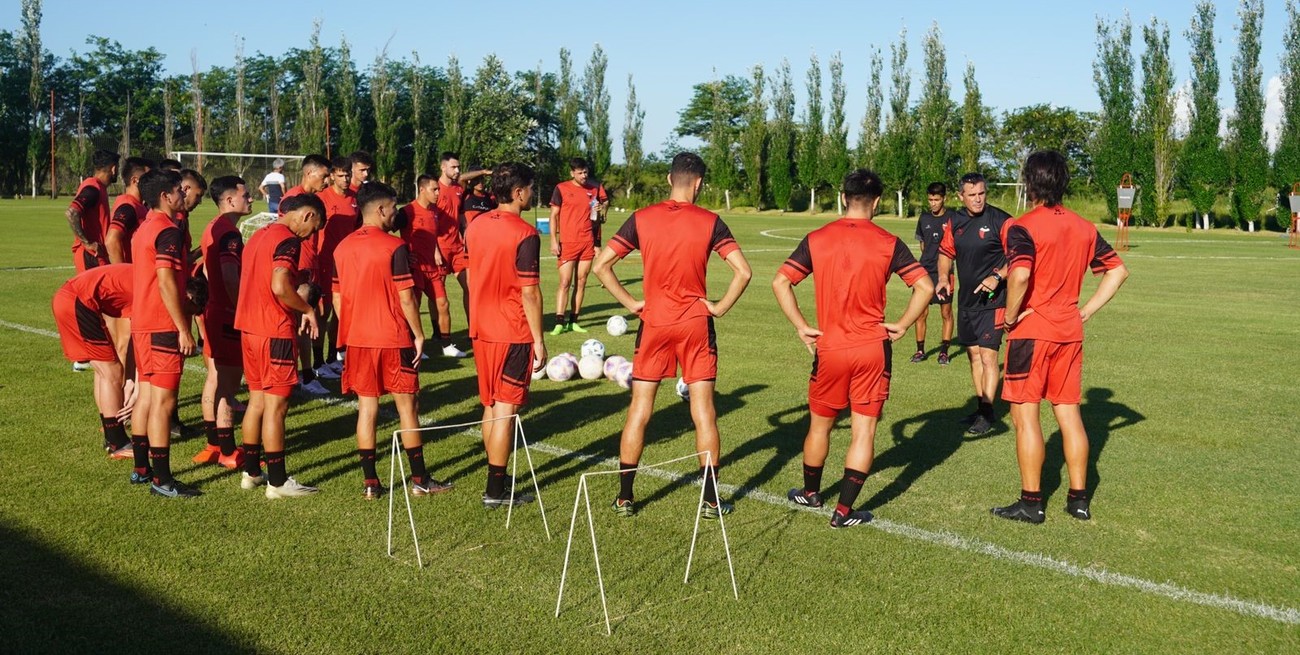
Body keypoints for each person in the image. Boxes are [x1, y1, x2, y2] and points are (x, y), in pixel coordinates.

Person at [592, 152, 752, 519]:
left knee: (640, 409)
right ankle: (711, 501)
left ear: (669, 179)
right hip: (696, 323)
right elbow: (743, 272)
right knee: (703, 412)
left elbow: (601, 266)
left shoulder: (642, 217)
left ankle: (625, 497)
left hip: (655, 322)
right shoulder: (711, 221)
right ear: (699, 183)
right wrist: (719, 307)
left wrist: (632, 303)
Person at [773, 169, 934, 528]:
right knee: (864, 431)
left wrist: (801, 326)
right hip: (872, 349)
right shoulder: (889, 242)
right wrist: (904, 324)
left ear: (844, 197)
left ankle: (811, 493)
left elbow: (781, 281)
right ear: (877, 202)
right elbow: (924, 286)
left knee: (819, 427)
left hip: (830, 348)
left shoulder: (817, 238)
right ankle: (843, 512)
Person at [992, 150, 1128, 524]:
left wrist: (1011, 317)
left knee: (1025, 417)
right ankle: (1078, 500)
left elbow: (1020, 274)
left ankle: (1031, 503)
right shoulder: (1084, 227)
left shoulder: (1021, 226)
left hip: (1032, 332)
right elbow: (1117, 271)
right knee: (1069, 414)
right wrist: (1085, 311)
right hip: (1069, 330)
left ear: (1029, 182)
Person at [333, 181, 451, 499]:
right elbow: (406, 297)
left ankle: (371, 483)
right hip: (392, 337)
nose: (396, 213)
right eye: (394, 207)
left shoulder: (341, 247)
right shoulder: (394, 246)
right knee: (408, 407)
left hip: (358, 340)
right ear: (382, 209)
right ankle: (419, 479)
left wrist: (352, 327)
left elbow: (337, 298)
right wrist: (419, 334)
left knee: (366, 408)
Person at [464, 162, 544, 509]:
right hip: (512, 330)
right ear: (518, 192)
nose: (533, 193)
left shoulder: (476, 225)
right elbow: (530, 292)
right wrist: (539, 339)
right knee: (506, 410)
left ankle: (496, 477)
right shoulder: (525, 233)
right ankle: (495, 490)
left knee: (491, 404)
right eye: (530, 188)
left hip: (481, 328)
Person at [234, 193, 325, 498]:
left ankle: (251, 473)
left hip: (249, 328)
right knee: (277, 406)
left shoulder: (259, 235)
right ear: (307, 215)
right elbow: (279, 285)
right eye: (314, 228)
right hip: (273, 330)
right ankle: (277, 481)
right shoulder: (288, 240)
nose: (310, 236)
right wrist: (307, 309)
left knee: (257, 401)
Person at [129, 169, 201, 498]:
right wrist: (183, 329)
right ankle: (162, 479)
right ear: (164, 196)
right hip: (162, 325)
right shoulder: (167, 230)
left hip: (143, 323)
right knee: (162, 402)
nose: (183, 195)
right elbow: (165, 280)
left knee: (146, 397)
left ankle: (142, 468)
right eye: (178, 190)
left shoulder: (145, 227)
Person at [936, 172, 1015, 436]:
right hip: (966, 302)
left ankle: (988, 412)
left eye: (981, 193)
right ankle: (982, 407)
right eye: (972, 195)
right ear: (961, 196)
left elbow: (1019, 257)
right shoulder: (954, 221)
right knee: (973, 356)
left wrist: (997, 276)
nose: (978, 199)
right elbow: (945, 253)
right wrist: (943, 278)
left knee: (988, 356)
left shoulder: (1001, 220)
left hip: (994, 302)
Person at [192, 176, 252, 470]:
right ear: (229, 200)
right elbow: (229, 276)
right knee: (228, 388)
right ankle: (228, 451)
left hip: (214, 311)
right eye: (246, 195)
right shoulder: (229, 233)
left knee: (214, 380)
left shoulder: (212, 227)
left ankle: (214, 445)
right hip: (228, 315)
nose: (250, 199)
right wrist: (243, 311)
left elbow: (206, 270)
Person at [51, 263, 136, 457]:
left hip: (73, 298)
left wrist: (131, 379)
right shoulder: (152, 289)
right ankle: (117, 442)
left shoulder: (148, 276)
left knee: (104, 369)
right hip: (79, 302)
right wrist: (132, 380)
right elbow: (136, 339)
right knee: (112, 372)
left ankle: (111, 435)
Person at [400, 175, 468, 358]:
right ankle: (412, 346)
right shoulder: (407, 212)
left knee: (443, 303)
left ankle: (446, 344)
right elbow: (386, 230)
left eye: (438, 189)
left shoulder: (435, 211)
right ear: (422, 190)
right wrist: (404, 254)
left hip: (433, 269)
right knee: (413, 307)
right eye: (434, 189)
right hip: (416, 269)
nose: (438, 193)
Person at [281, 154, 332, 395]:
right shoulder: (294, 200)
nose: (327, 181)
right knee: (298, 320)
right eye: (324, 175)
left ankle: (307, 371)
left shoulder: (314, 200)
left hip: (311, 265)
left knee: (309, 318)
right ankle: (303, 375)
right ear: (309, 173)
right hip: (297, 267)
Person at [549, 157, 609, 334]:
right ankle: (559, 322)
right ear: (572, 173)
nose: (584, 175)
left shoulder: (594, 189)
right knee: (565, 282)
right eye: (580, 172)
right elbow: (553, 215)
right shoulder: (561, 188)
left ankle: (573, 321)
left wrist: (599, 213)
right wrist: (553, 240)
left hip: (587, 242)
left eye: (586, 172)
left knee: (581, 281)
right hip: (568, 242)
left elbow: (597, 220)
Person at [312, 156, 359, 379]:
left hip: (346, 265)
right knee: (323, 313)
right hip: (325, 263)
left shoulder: (355, 199)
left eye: (348, 174)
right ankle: (317, 362)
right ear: (332, 176)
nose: (346, 179)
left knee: (342, 313)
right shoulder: (321, 198)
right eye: (341, 175)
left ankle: (333, 357)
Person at [435, 151, 487, 352]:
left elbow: (464, 179)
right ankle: (440, 336)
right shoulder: (434, 188)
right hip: (440, 248)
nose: (457, 170)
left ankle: (473, 329)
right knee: (438, 296)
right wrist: (435, 249)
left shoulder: (459, 189)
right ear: (443, 167)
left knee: (471, 288)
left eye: (458, 167)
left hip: (457, 248)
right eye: (453, 167)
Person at [910, 181, 956, 366]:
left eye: (936, 200)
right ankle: (920, 350)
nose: (933, 203)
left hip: (945, 273)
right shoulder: (924, 218)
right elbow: (923, 244)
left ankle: (944, 352)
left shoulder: (953, 217)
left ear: (944, 198)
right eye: (930, 200)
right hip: (924, 271)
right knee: (920, 312)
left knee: (946, 312)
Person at [65, 149, 119, 274]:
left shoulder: (98, 187)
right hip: (91, 256)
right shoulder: (93, 188)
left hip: (95, 255)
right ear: (113, 168)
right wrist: (87, 243)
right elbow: (72, 212)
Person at [105, 157, 153, 264]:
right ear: (135, 181)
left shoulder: (139, 205)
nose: (153, 183)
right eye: (148, 179)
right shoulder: (128, 206)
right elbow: (111, 240)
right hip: (131, 271)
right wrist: (122, 271)